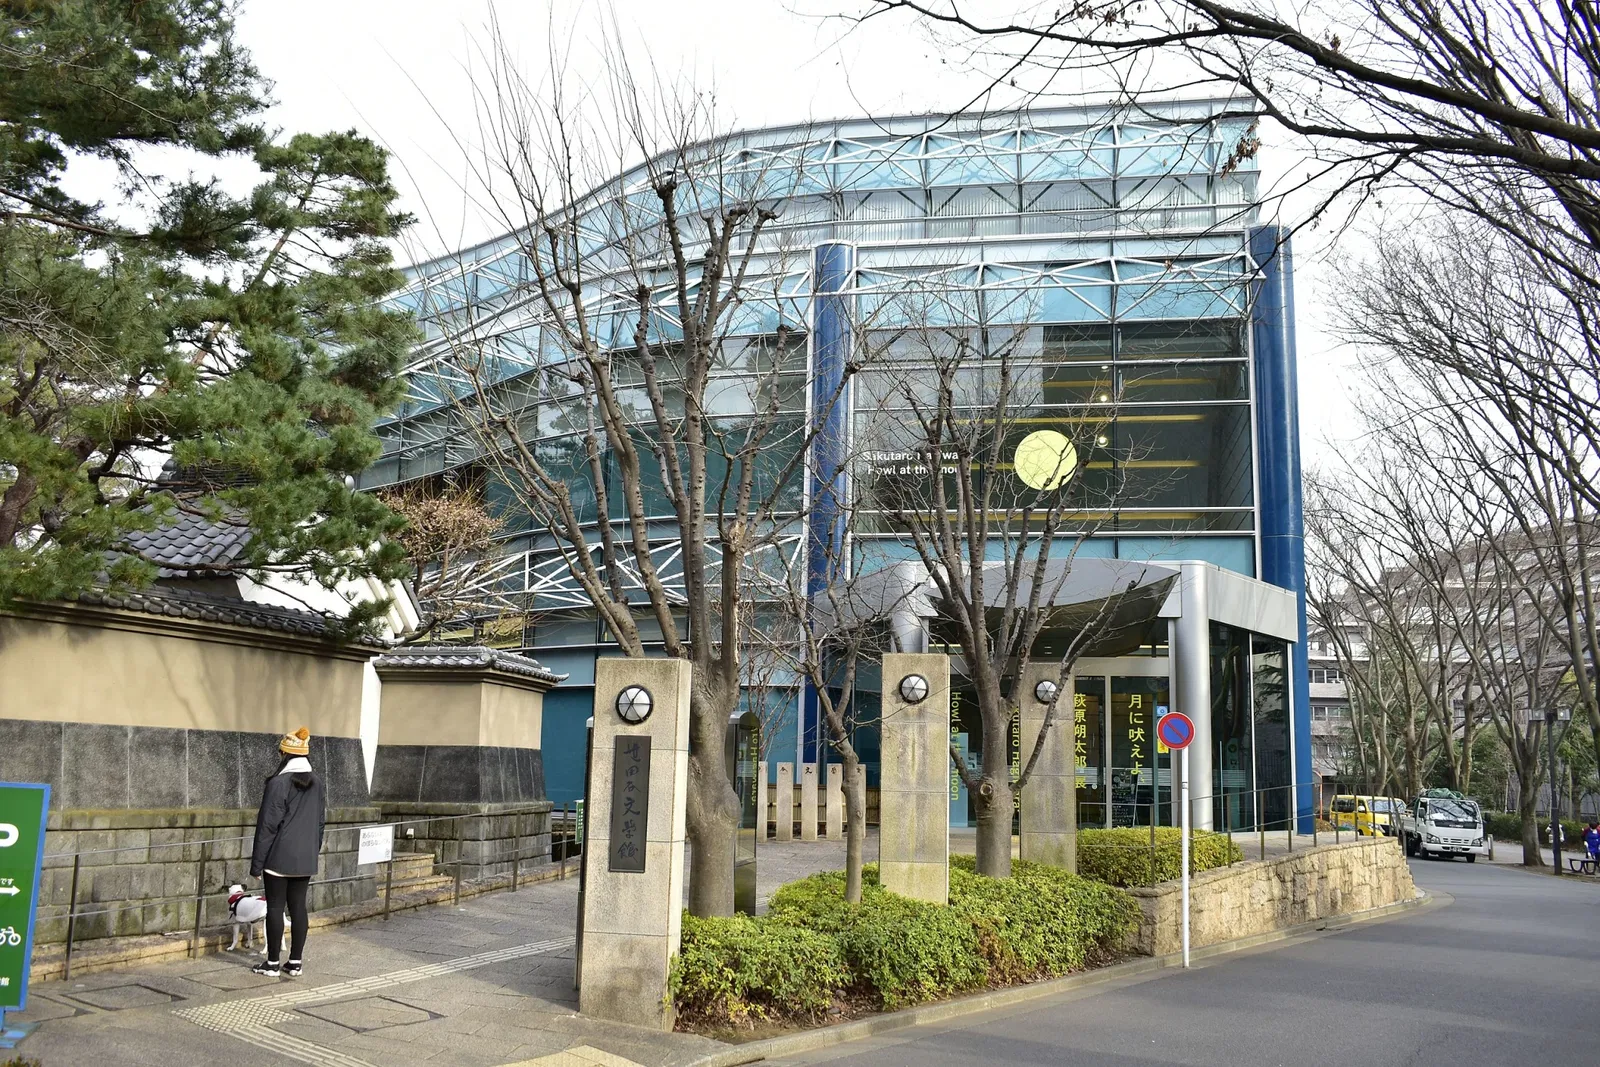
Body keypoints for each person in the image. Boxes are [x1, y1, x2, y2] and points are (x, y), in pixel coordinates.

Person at [249, 727, 326, 978]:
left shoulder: (278, 783)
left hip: (278, 856)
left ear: (284, 754)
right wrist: (312, 851)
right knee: (298, 908)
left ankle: (272, 962)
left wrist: (256, 865)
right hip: (305, 857)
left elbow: (267, 826)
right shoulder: (317, 782)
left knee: (275, 908)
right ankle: (295, 962)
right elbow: (320, 823)